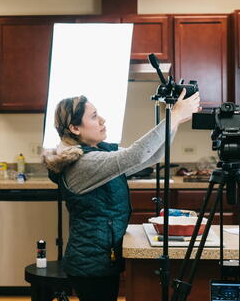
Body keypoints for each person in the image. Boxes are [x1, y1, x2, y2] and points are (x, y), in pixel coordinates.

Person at [42, 90, 201, 301]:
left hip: (101, 258)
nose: (102, 120)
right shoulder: (85, 163)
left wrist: (175, 120)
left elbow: (151, 156)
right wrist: (173, 117)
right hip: (91, 264)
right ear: (74, 128)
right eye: (93, 116)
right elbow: (136, 154)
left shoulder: (98, 153)